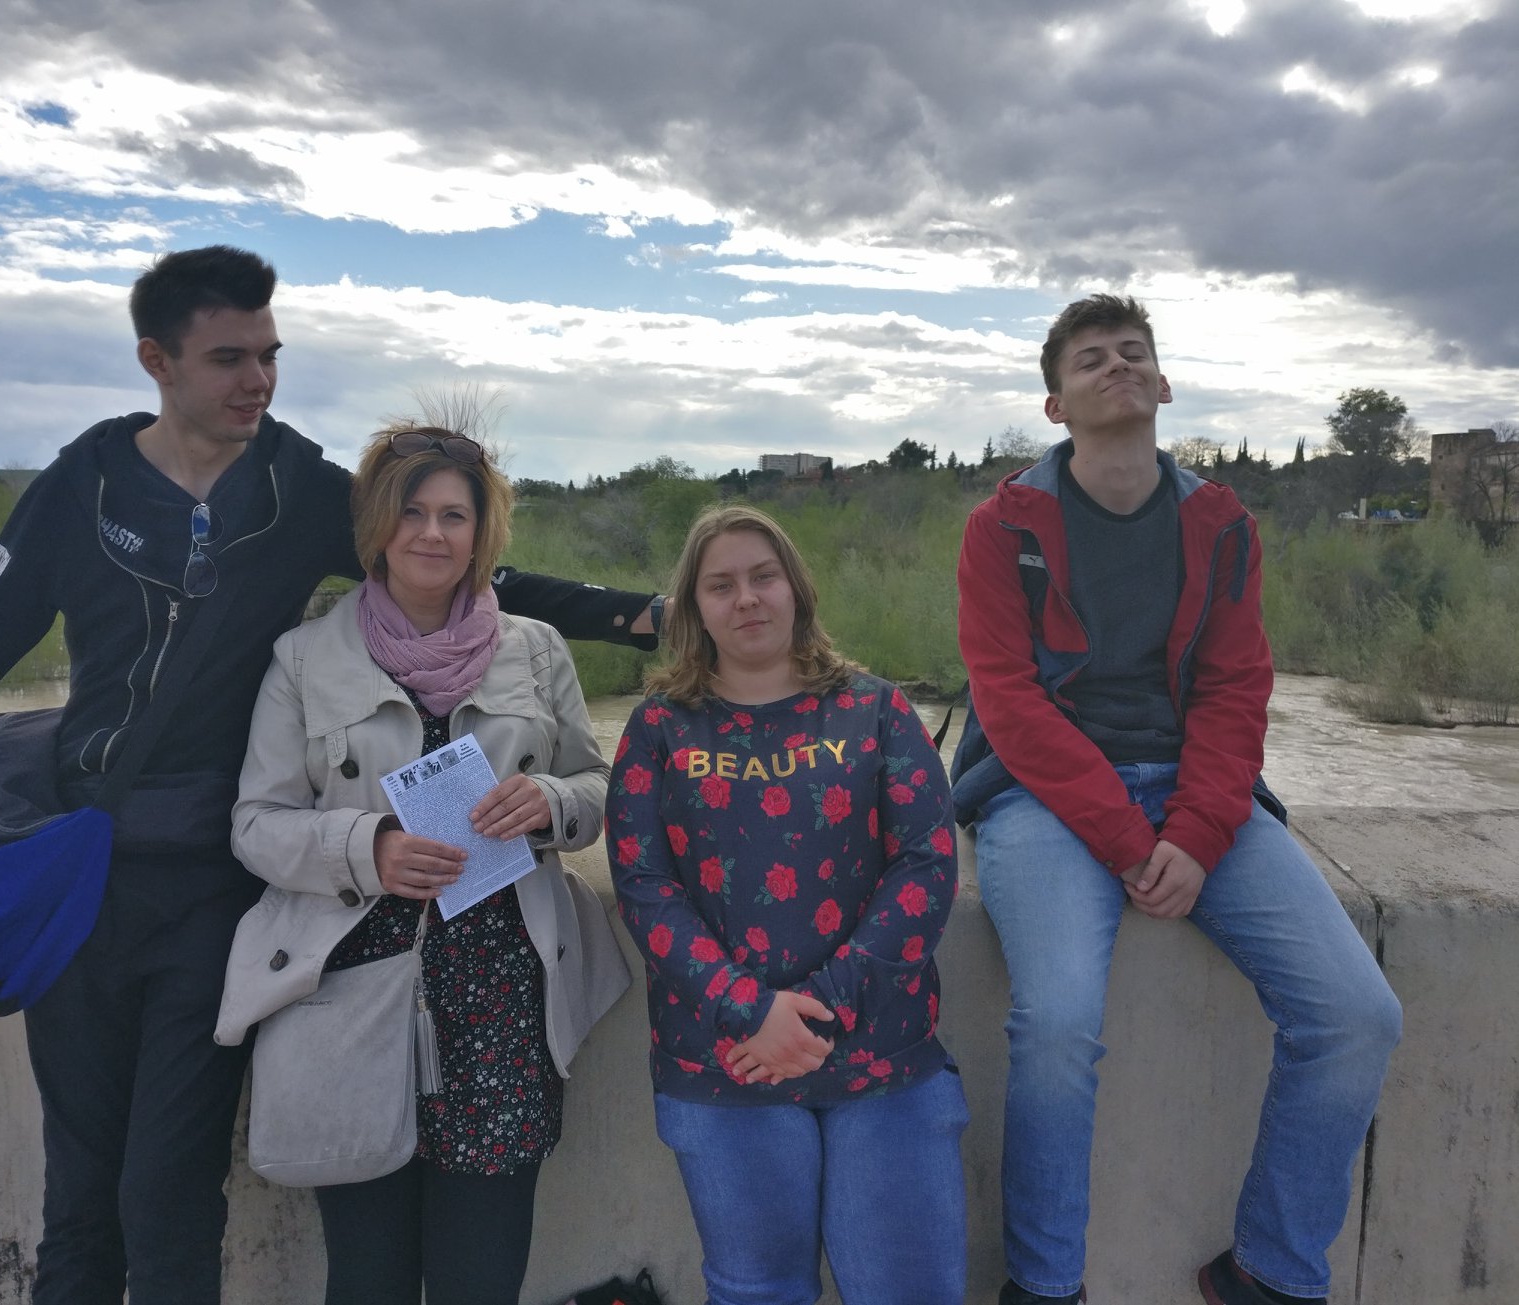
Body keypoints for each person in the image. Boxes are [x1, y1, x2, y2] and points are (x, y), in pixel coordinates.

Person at [0, 246, 657, 1305]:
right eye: (228, 359)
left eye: (270, 354)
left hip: (216, 892)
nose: (258, 381)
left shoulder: (292, 486)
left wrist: (650, 617)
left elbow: (458, 557)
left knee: (169, 1198)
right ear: (156, 361)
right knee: (79, 1203)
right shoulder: (83, 486)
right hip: (81, 880)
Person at [950, 294, 1402, 1305]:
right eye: (1091, 359)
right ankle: (1045, 1285)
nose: (1117, 366)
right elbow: (1010, 703)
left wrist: (1196, 833)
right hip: (1043, 796)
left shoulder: (1219, 523)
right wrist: (1125, 839)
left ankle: (1271, 1274)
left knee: (1358, 1013)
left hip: (1198, 792)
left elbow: (1237, 688)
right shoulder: (1003, 527)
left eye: (1133, 353)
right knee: (1058, 1023)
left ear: (1162, 385)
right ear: (1056, 405)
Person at [214, 418, 630, 1305]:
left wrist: (549, 802)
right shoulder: (303, 658)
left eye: (453, 515)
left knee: (483, 1278)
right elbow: (256, 823)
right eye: (412, 512)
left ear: (482, 533)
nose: (431, 534)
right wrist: (365, 848)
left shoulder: (537, 649)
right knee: (367, 1278)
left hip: (504, 1002)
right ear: (376, 525)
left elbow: (597, 785)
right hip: (350, 1001)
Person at [607, 504, 968, 1305]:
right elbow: (643, 885)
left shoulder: (877, 709)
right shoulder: (659, 728)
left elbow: (926, 863)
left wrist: (822, 1008)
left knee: (910, 1290)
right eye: (721, 584)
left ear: (796, 587)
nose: (746, 598)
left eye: (763, 576)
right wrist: (747, 1009)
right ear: (693, 607)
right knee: (758, 1293)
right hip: (726, 1062)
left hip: (883, 1057)